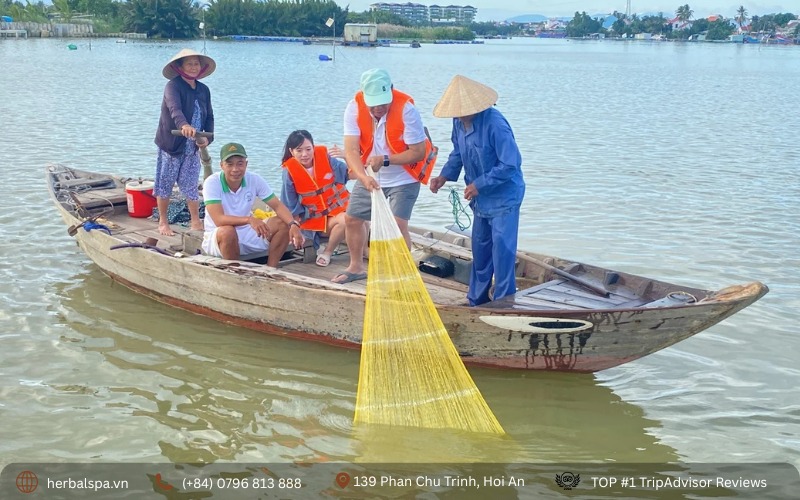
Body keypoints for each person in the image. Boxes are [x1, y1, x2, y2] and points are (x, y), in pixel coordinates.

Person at [429, 75, 525, 306]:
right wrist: (443, 176)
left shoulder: (495, 125)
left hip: (504, 197)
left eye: (462, 111)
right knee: (481, 250)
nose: (459, 116)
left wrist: (478, 184)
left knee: (502, 252)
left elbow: (510, 164)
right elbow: (457, 153)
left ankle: (503, 302)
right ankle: (477, 300)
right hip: (481, 201)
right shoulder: (457, 123)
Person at [333, 68, 436, 284]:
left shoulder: (407, 109)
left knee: (398, 225)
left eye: (383, 102)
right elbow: (351, 150)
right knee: (352, 219)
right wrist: (363, 177)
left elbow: (418, 151)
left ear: (391, 90)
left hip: (405, 176)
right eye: (374, 103)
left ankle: (402, 274)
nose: (379, 108)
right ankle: (356, 266)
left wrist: (386, 160)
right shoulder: (353, 107)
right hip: (371, 174)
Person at [202, 143, 305, 268]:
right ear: (222, 166)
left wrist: (293, 224)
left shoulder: (254, 179)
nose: (235, 169)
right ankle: (235, 272)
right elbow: (219, 220)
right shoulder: (212, 182)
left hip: (247, 232)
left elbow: (277, 206)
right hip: (218, 236)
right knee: (227, 231)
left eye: (240, 163)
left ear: (246, 164)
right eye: (230, 164)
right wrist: (249, 219)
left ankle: (270, 269)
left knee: (282, 223)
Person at [154, 48, 215, 236]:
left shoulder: (203, 90)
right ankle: (163, 222)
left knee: (190, 184)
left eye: (196, 63)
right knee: (165, 183)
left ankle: (195, 221)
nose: (193, 67)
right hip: (172, 144)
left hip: (193, 147)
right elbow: (175, 110)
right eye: (189, 63)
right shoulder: (173, 86)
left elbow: (209, 117)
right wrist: (184, 126)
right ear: (179, 67)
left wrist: (208, 138)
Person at [279, 130, 350, 267]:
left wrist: (346, 156)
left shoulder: (326, 157)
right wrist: (293, 227)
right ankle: (328, 252)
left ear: (313, 147)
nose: (304, 154)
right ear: (291, 151)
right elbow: (289, 204)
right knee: (347, 220)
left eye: (308, 149)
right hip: (314, 221)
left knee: (358, 217)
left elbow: (350, 174)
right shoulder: (289, 172)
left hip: (337, 210)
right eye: (299, 150)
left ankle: (364, 251)